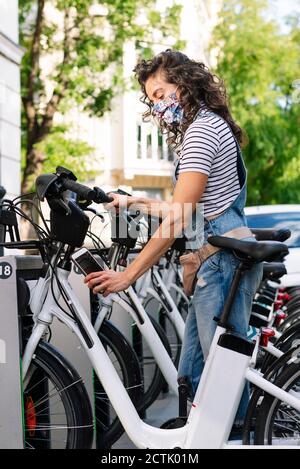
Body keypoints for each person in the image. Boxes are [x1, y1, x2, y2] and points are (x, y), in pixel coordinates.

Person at [85, 49, 263, 432]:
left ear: (184, 85)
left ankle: (238, 438)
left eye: (161, 92)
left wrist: (127, 275)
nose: (158, 104)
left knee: (219, 380)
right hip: (218, 256)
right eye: (151, 99)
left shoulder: (201, 132)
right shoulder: (210, 125)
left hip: (220, 262)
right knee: (197, 372)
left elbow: (181, 216)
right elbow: (188, 205)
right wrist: (136, 202)